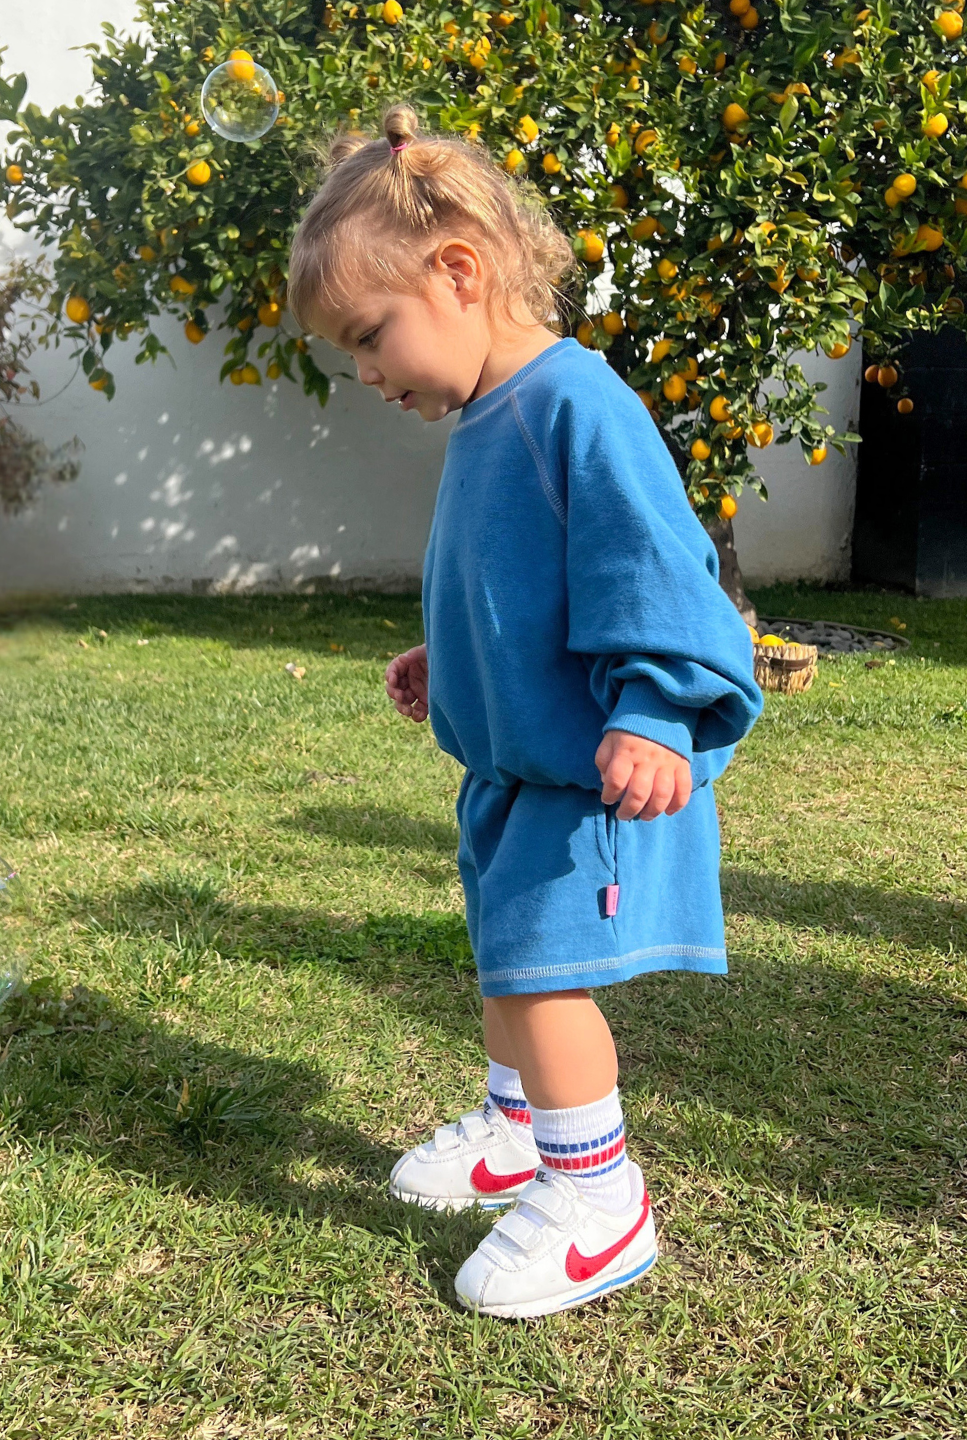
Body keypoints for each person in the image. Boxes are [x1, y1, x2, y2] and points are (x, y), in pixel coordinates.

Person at [287, 103, 762, 1320]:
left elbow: (659, 573)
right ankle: (513, 1136)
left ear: (458, 271)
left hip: (585, 776)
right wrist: (450, 655)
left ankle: (597, 1206)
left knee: (548, 984)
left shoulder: (575, 406)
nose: (370, 372)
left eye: (371, 336)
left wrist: (658, 710)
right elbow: (517, 576)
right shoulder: (490, 418)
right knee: (509, 965)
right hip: (513, 774)